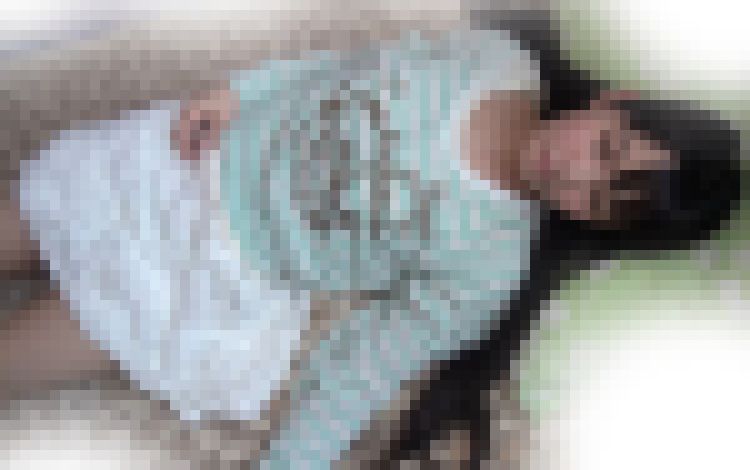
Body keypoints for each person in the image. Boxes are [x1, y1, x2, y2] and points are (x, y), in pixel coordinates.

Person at [9, 24, 742, 469]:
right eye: (605, 147)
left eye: (597, 200)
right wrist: (241, 92)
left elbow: (368, 367)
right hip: (175, 161)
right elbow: (341, 69)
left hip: (207, 274)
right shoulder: (495, 60)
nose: (573, 174)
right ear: (612, 102)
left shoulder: (489, 264)